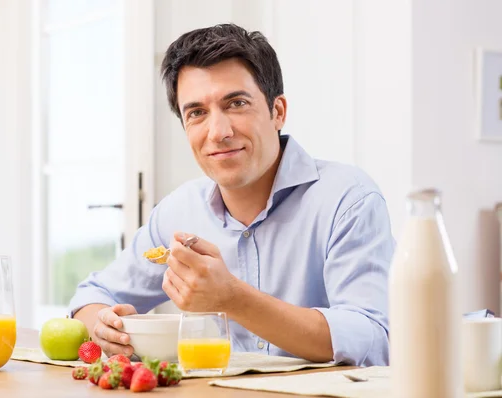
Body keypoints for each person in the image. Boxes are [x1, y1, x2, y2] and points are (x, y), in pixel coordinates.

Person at [70, 23, 395, 366]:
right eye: (196, 113)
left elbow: (371, 337)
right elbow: (92, 297)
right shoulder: (178, 212)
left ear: (277, 112)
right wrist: (104, 328)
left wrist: (234, 299)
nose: (218, 132)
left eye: (236, 103)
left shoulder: (348, 199)